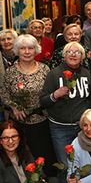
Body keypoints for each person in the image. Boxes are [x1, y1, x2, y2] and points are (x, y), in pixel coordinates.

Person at [40, 41, 91, 183]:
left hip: (82, 129)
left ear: (82, 56)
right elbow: (43, 100)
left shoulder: (86, 74)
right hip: (60, 129)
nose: (73, 54)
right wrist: (55, 95)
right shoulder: (54, 74)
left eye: (77, 52)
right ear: (63, 55)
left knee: (84, 166)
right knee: (65, 167)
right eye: (69, 51)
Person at [0, 35, 55, 175]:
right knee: (24, 160)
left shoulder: (45, 69)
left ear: (36, 50)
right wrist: (14, 107)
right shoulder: (10, 73)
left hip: (42, 122)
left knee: (43, 159)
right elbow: (4, 94)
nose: (26, 51)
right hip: (19, 124)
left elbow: (51, 94)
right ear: (17, 50)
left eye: (30, 48)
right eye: (22, 48)